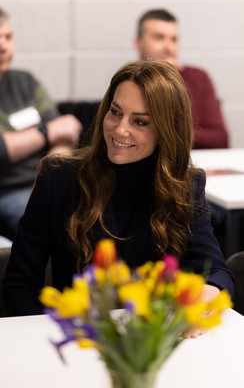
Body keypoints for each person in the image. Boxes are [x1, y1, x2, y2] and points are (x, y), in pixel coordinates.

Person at [2, 60, 234, 338]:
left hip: (152, 344)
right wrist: (53, 337)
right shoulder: (59, 178)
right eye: (115, 112)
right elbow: (19, 286)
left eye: (140, 121)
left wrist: (210, 290)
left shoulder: (186, 185)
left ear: (166, 131)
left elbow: (217, 272)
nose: (119, 130)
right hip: (79, 339)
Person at [0, 8, 82, 238]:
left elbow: (66, 132)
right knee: (50, 228)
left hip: (42, 179)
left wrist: (48, 179)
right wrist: (47, 131)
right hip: (8, 190)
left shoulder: (25, 81)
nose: (4, 45)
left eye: (8, 37)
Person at [134, 9, 229, 150]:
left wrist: (170, 132)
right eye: (159, 37)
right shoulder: (129, 81)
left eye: (174, 39)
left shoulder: (198, 77)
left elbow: (220, 138)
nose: (169, 47)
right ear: (138, 44)